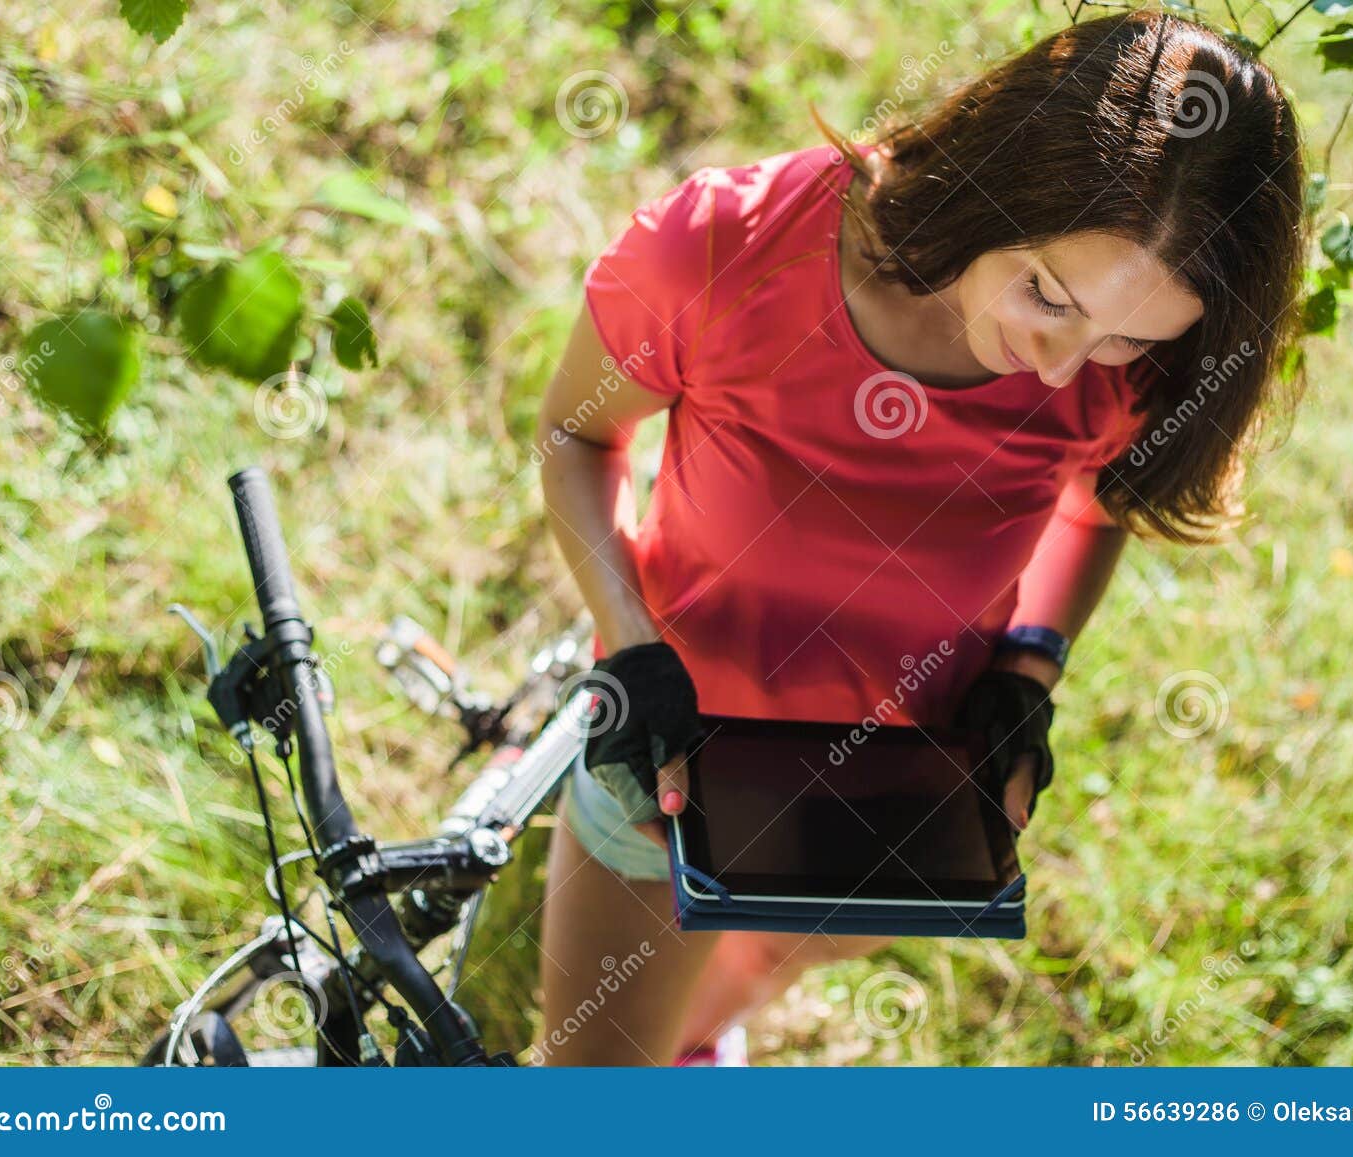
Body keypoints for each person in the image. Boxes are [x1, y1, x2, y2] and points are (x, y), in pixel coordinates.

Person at [533, 9, 1308, 1066]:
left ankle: (703, 1031)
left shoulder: (1126, 372)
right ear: (1002, 175)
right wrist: (631, 648)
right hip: (671, 764)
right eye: (1045, 293)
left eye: (1126, 335)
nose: (1056, 367)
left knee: (749, 971)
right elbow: (576, 434)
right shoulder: (722, 249)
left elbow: (1097, 504)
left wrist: (1031, 665)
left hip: (909, 784)